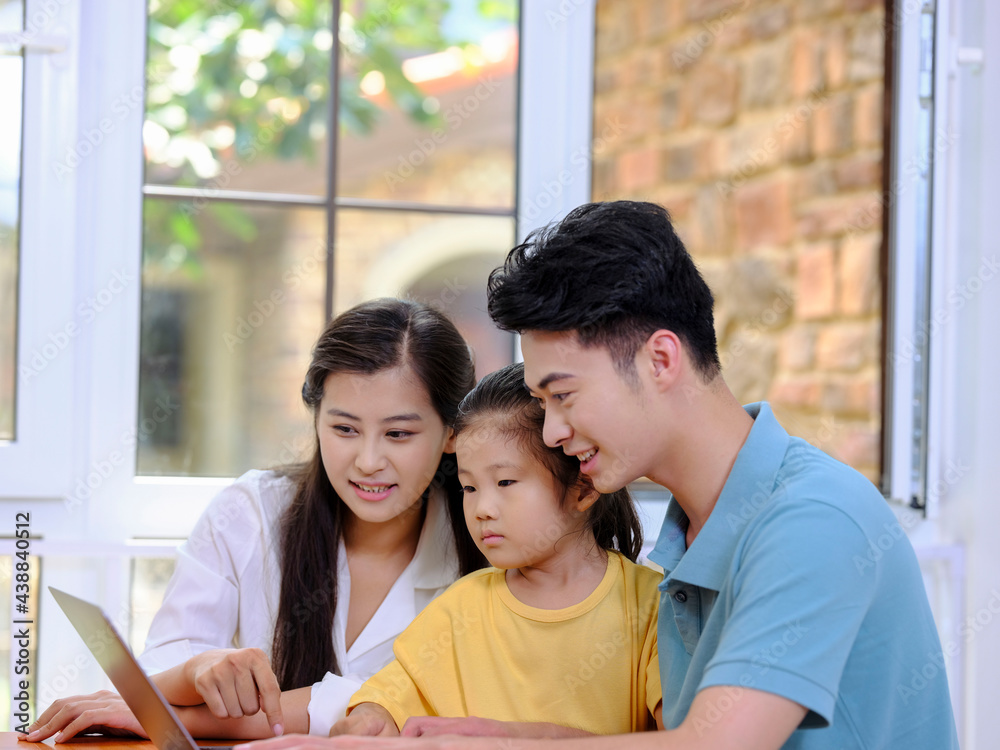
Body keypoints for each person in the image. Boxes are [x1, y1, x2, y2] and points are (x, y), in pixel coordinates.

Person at [241, 200, 960, 750]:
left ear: (660, 359)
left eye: (563, 395)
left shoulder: (811, 519)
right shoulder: (687, 537)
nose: (552, 431)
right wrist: (499, 735)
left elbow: (713, 747)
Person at [22, 298, 487, 742]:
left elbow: (383, 708)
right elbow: (163, 662)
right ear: (317, 418)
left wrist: (173, 714)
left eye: (398, 434)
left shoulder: (487, 545)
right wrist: (197, 668)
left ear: (451, 432)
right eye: (344, 428)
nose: (368, 460)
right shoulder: (251, 513)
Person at [330, 362, 662, 738]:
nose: (482, 508)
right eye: (469, 488)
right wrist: (372, 719)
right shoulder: (459, 611)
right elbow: (391, 696)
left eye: (505, 481)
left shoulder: (653, 606)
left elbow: (685, 737)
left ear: (583, 488)